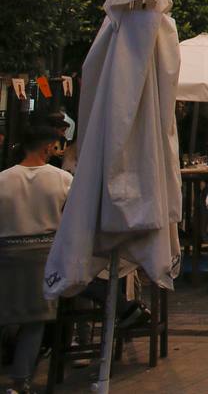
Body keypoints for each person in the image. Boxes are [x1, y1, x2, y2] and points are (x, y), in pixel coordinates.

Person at [0, 126, 73, 393]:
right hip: (44, 255)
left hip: (6, 253)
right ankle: (20, 380)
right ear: (46, 148)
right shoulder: (62, 179)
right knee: (35, 320)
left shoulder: (3, 179)